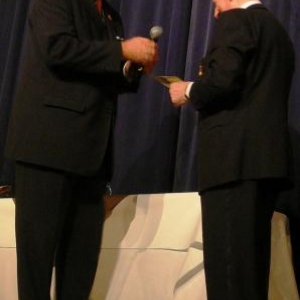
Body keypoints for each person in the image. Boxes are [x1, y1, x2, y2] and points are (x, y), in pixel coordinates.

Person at [4, 0, 158, 299]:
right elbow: (57, 48)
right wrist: (122, 51)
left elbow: (105, 73)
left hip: (91, 156)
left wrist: (131, 68)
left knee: (81, 267)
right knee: (36, 265)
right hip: (46, 149)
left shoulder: (111, 15)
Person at [168, 1, 295, 300]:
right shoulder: (278, 32)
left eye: (215, 4)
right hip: (265, 165)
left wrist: (187, 90)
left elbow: (222, 80)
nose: (215, 13)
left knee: (227, 273)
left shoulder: (237, 20)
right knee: (250, 272)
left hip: (232, 163)